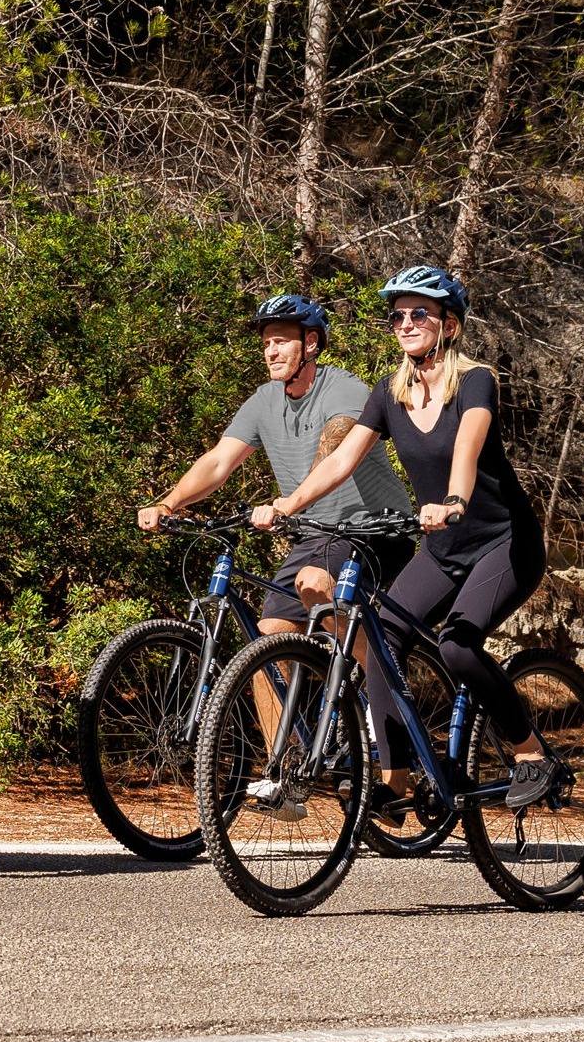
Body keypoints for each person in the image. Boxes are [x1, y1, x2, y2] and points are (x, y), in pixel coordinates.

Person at [260, 267, 560, 812]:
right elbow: (343, 460)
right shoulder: (389, 393)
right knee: (380, 641)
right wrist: (287, 504)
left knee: (458, 644)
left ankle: (530, 753)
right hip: (442, 549)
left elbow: (467, 449)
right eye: (397, 315)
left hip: (503, 543)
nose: (405, 323)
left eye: (418, 313)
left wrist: (453, 502)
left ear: (448, 324)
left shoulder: (475, 381)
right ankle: (394, 783)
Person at [141, 293, 423, 820]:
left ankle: (380, 686)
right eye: (266, 343)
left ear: (310, 344)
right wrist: (169, 501)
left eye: (281, 342)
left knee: (315, 582)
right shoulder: (263, 401)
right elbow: (220, 460)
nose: (270, 352)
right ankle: (285, 770)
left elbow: (337, 451)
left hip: (373, 530)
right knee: (266, 640)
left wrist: (287, 503)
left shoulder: (343, 387)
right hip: (314, 534)